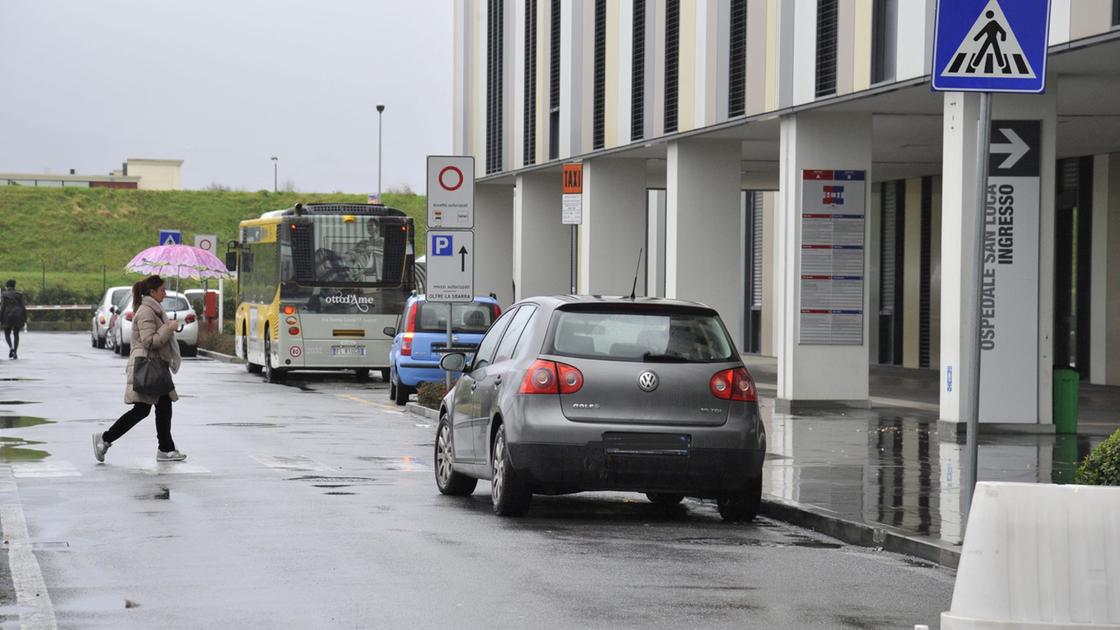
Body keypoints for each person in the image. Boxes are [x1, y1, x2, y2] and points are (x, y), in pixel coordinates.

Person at [93, 275, 187, 463]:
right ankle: (105, 438)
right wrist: (168, 328)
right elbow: (149, 341)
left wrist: (169, 327)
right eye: (162, 290)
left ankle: (165, 448)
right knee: (142, 410)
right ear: (152, 292)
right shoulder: (146, 311)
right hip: (148, 366)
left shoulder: (154, 310)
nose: (165, 293)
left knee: (164, 405)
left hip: (156, 365)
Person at [0, 279, 27, 360]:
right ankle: (15, 352)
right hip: (18, 315)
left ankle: (11, 347)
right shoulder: (19, 294)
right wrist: (25, 317)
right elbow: (23, 306)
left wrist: (0, 318)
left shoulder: (4, 294)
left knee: (7, 333)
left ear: (7, 286)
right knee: (16, 334)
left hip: (7, 315)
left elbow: (3, 307)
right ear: (14, 286)